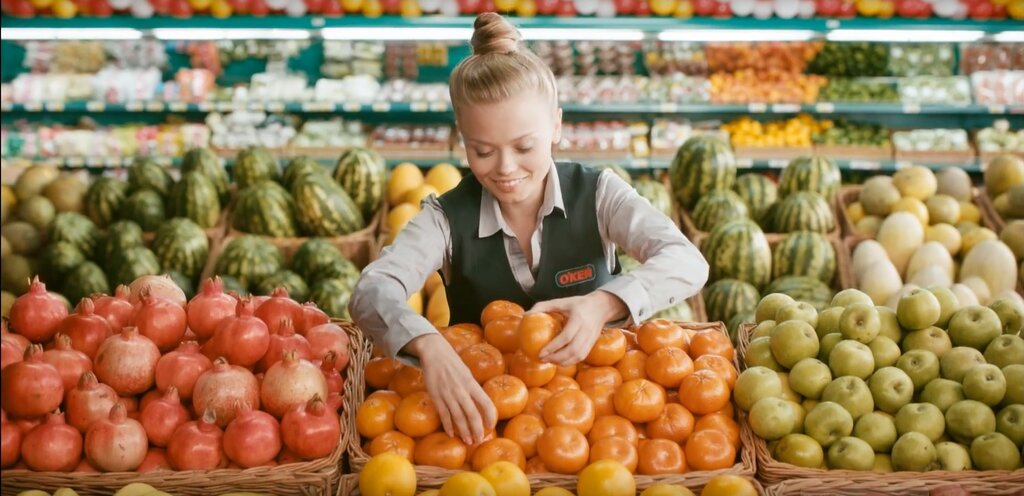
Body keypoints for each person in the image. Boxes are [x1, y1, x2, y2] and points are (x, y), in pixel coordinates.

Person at [349, 12, 708, 447]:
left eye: (524, 146)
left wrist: (603, 303)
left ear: (555, 126)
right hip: (479, 419)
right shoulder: (444, 218)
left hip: (596, 419)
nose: (505, 169)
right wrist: (427, 343)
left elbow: (688, 261)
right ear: (462, 139)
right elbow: (371, 292)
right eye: (482, 151)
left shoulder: (599, 194)